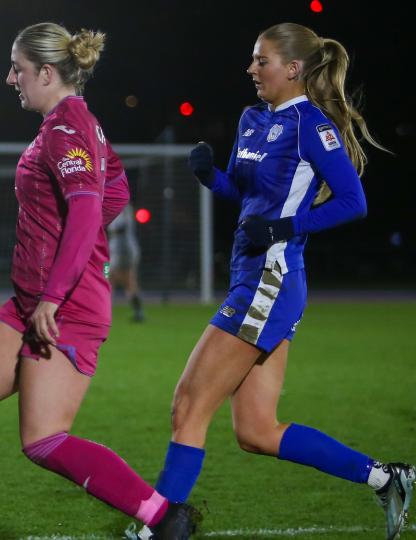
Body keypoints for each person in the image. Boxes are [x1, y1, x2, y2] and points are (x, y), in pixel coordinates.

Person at [0, 22, 200, 540]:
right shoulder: (75, 125)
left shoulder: (68, 130)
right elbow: (115, 190)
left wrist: (58, 286)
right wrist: (63, 255)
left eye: (19, 69)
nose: (12, 79)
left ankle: (164, 519)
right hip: (31, 302)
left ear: (47, 73)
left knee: (44, 440)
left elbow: (86, 210)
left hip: (65, 309)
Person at [127, 22, 413, 540]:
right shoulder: (252, 118)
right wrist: (210, 177)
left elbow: (353, 202)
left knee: (188, 406)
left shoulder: (312, 125)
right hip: (250, 275)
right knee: (256, 432)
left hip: (270, 279)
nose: (251, 69)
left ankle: (157, 528)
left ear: (293, 68)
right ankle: (385, 477)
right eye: (253, 60)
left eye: (261, 60)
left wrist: (286, 227)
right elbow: (246, 195)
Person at [107, 203, 145, 322]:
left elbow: (120, 228)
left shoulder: (121, 206)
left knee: (108, 277)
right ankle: (138, 312)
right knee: (125, 281)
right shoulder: (119, 206)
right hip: (115, 250)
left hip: (122, 251)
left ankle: (102, 311)